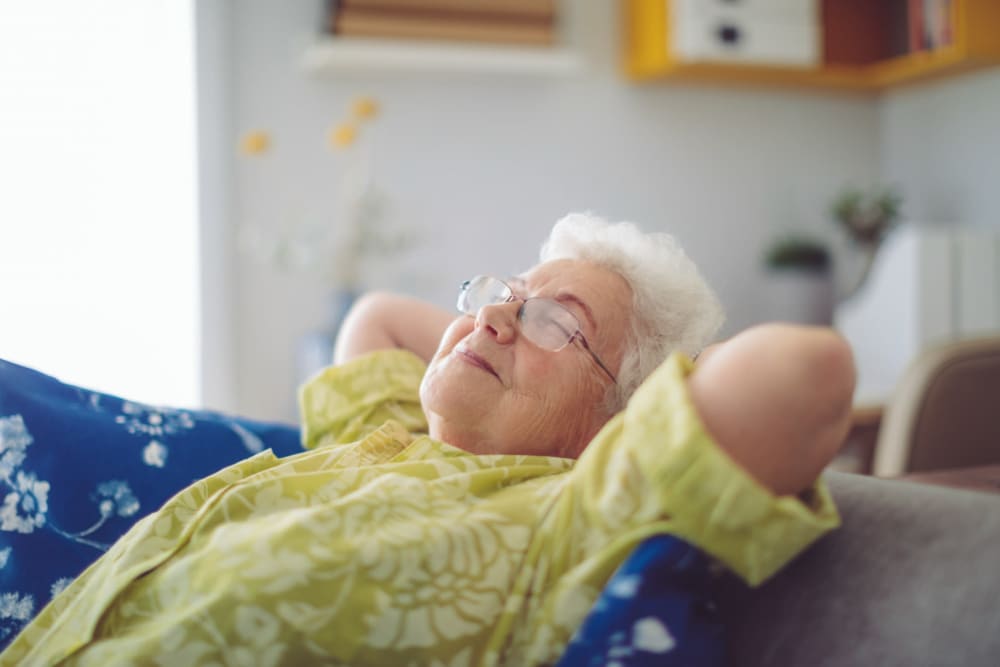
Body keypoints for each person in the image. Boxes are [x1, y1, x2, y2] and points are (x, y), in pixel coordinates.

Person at [0, 213, 854, 666]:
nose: (486, 315)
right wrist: (522, 317)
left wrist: (642, 413)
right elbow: (374, 315)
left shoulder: (573, 515)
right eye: (496, 292)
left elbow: (803, 373)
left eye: (556, 318)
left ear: (621, 422)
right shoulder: (396, 432)